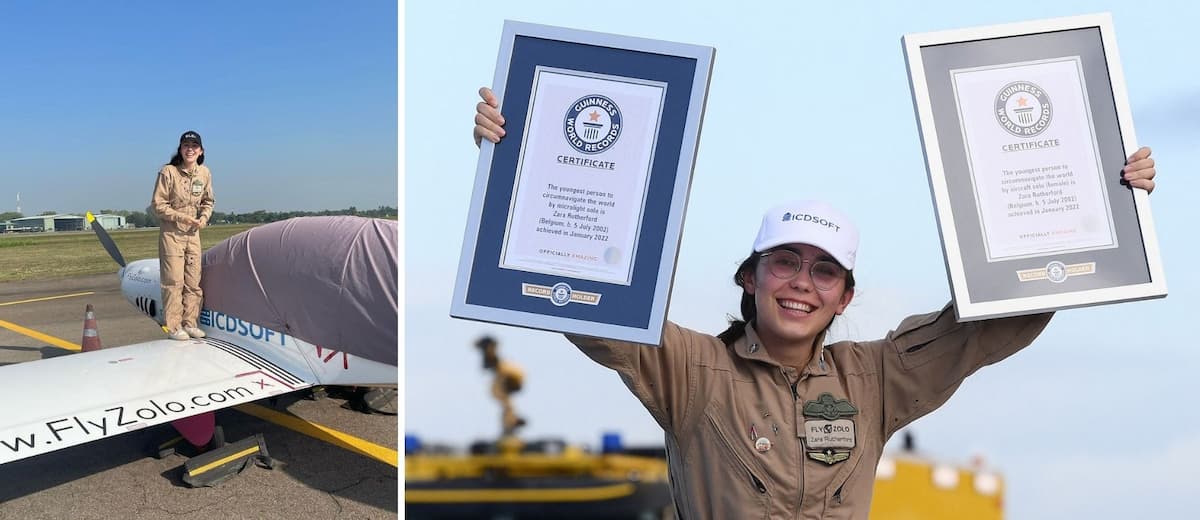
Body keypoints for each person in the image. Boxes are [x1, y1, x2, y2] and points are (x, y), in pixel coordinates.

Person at [471, 87, 1157, 518]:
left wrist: (1100, 200)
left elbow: (994, 316)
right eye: (786, 262)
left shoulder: (879, 376)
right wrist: (521, 162)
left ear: (845, 297)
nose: (802, 281)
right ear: (751, 277)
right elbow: (583, 307)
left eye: (825, 272)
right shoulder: (690, 370)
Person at [151, 130, 215, 341]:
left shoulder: (204, 173)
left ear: (201, 151)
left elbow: (208, 200)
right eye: (186, 146)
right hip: (172, 233)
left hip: (194, 234)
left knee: (193, 282)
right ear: (180, 149)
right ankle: (174, 326)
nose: (190, 149)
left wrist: (204, 218)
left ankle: (190, 323)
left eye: (194, 146)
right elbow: (158, 205)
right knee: (173, 281)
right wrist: (182, 218)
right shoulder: (168, 172)